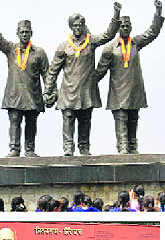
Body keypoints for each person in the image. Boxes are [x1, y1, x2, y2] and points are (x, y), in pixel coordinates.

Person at [43, 3, 122, 156]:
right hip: (68, 90)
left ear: (84, 26)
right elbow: (53, 70)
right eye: (75, 25)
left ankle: (84, 147)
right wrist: (47, 90)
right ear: (71, 27)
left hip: (86, 90)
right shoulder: (63, 46)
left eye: (80, 24)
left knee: (85, 119)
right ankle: (68, 147)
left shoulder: (91, 42)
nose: (78, 27)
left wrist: (116, 15)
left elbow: (108, 35)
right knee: (68, 118)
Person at [96, 0, 164, 154]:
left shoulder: (136, 43)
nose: (125, 28)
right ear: (118, 28)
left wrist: (158, 11)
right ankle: (122, 150)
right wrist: (86, 84)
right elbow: (99, 71)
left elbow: (152, 32)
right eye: (122, 26)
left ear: (131, 28)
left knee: (133, 121)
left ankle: (133, 149)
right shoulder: (110, 49)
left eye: (127, 26)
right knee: (121, 123)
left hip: (134, 91)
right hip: (118, 93)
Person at [0, 4, 49, 158]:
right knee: (14, 121)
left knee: (31, 123)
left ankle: (29, 149)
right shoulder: (10, 49)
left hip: (32, 94)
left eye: (27, 32)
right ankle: (14, 148)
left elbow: (47, 74)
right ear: (17, 33)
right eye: (21, 32)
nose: (24, 34)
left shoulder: (39, 52)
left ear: (31, 33)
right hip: (14, 94)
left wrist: (49, 91)